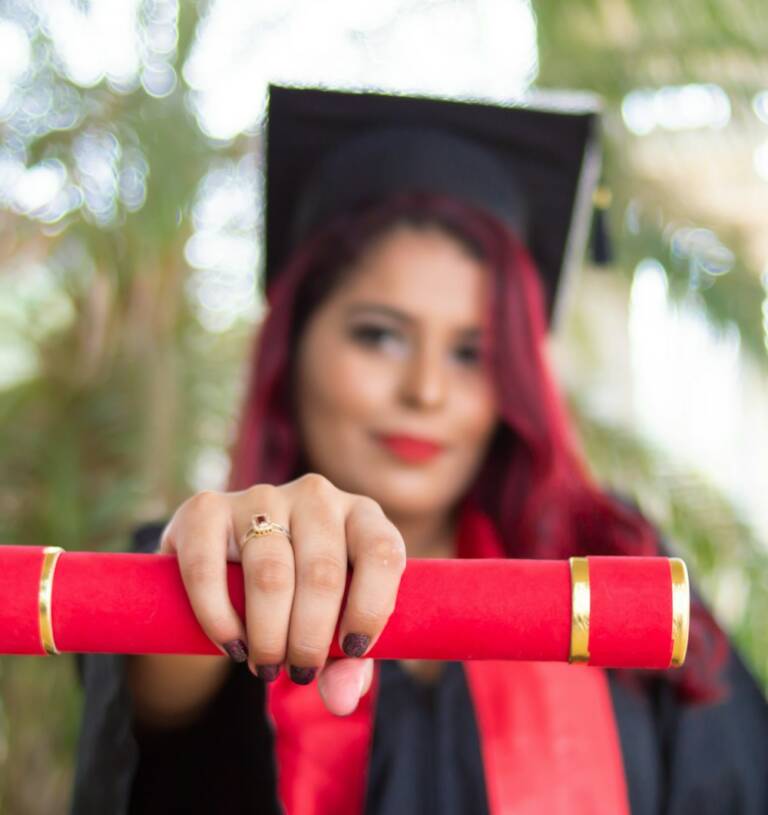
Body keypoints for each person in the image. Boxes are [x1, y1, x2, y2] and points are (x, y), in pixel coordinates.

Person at [69, 85, 768, 815]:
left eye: (474, 352)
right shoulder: (218, 570)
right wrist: (240, 572)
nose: (427, 391)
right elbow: (153, 708)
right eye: (380, 335)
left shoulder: (614, 567)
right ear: (293, 349)